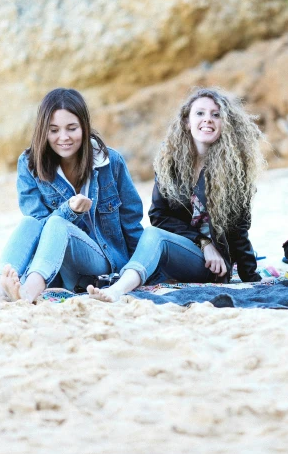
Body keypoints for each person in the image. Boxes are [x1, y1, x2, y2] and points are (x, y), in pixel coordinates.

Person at [0, 88, 144, 303]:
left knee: (59, 223)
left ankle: (28, 291)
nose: (64, 137)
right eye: (54, 130)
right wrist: (70, 210)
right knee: (30, 222)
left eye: (72, 128)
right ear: (43, 131)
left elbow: (131, 219)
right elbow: (39, 224)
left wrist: (139, 269)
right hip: (55, 267)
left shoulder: (109, 161)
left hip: (103, 261)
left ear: (84, 128)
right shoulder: (29, 164)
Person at [87, 87, 265, 302]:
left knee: (153, 235)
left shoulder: (235, 170)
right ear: (187, 122)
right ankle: (121, 283)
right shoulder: (169, 164)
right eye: (200, 113)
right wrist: (203, 242)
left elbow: (239, 231)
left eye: (215, 114)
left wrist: (250, 277)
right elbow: (159, 216)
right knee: (152, 233)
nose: (207, 119)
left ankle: (117, 290)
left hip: (213, 266)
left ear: (224, 123)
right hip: (181, 253)